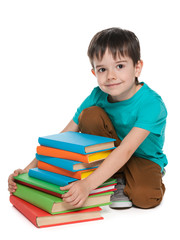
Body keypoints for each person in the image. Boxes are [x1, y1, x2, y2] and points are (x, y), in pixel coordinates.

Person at [8, 27, 167, 209]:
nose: (111, 76)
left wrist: (87, 185)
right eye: (102, 69)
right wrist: (27, 170)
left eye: (120, 66)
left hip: (141, 157)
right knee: (89, 115)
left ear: (137, 67)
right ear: (94, 73)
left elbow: (126, 150)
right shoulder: (96, 96)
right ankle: (116, 176)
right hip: (109, 153)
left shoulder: (152, 103)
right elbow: (64, 135)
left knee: (145, 198)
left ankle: (143, 176)